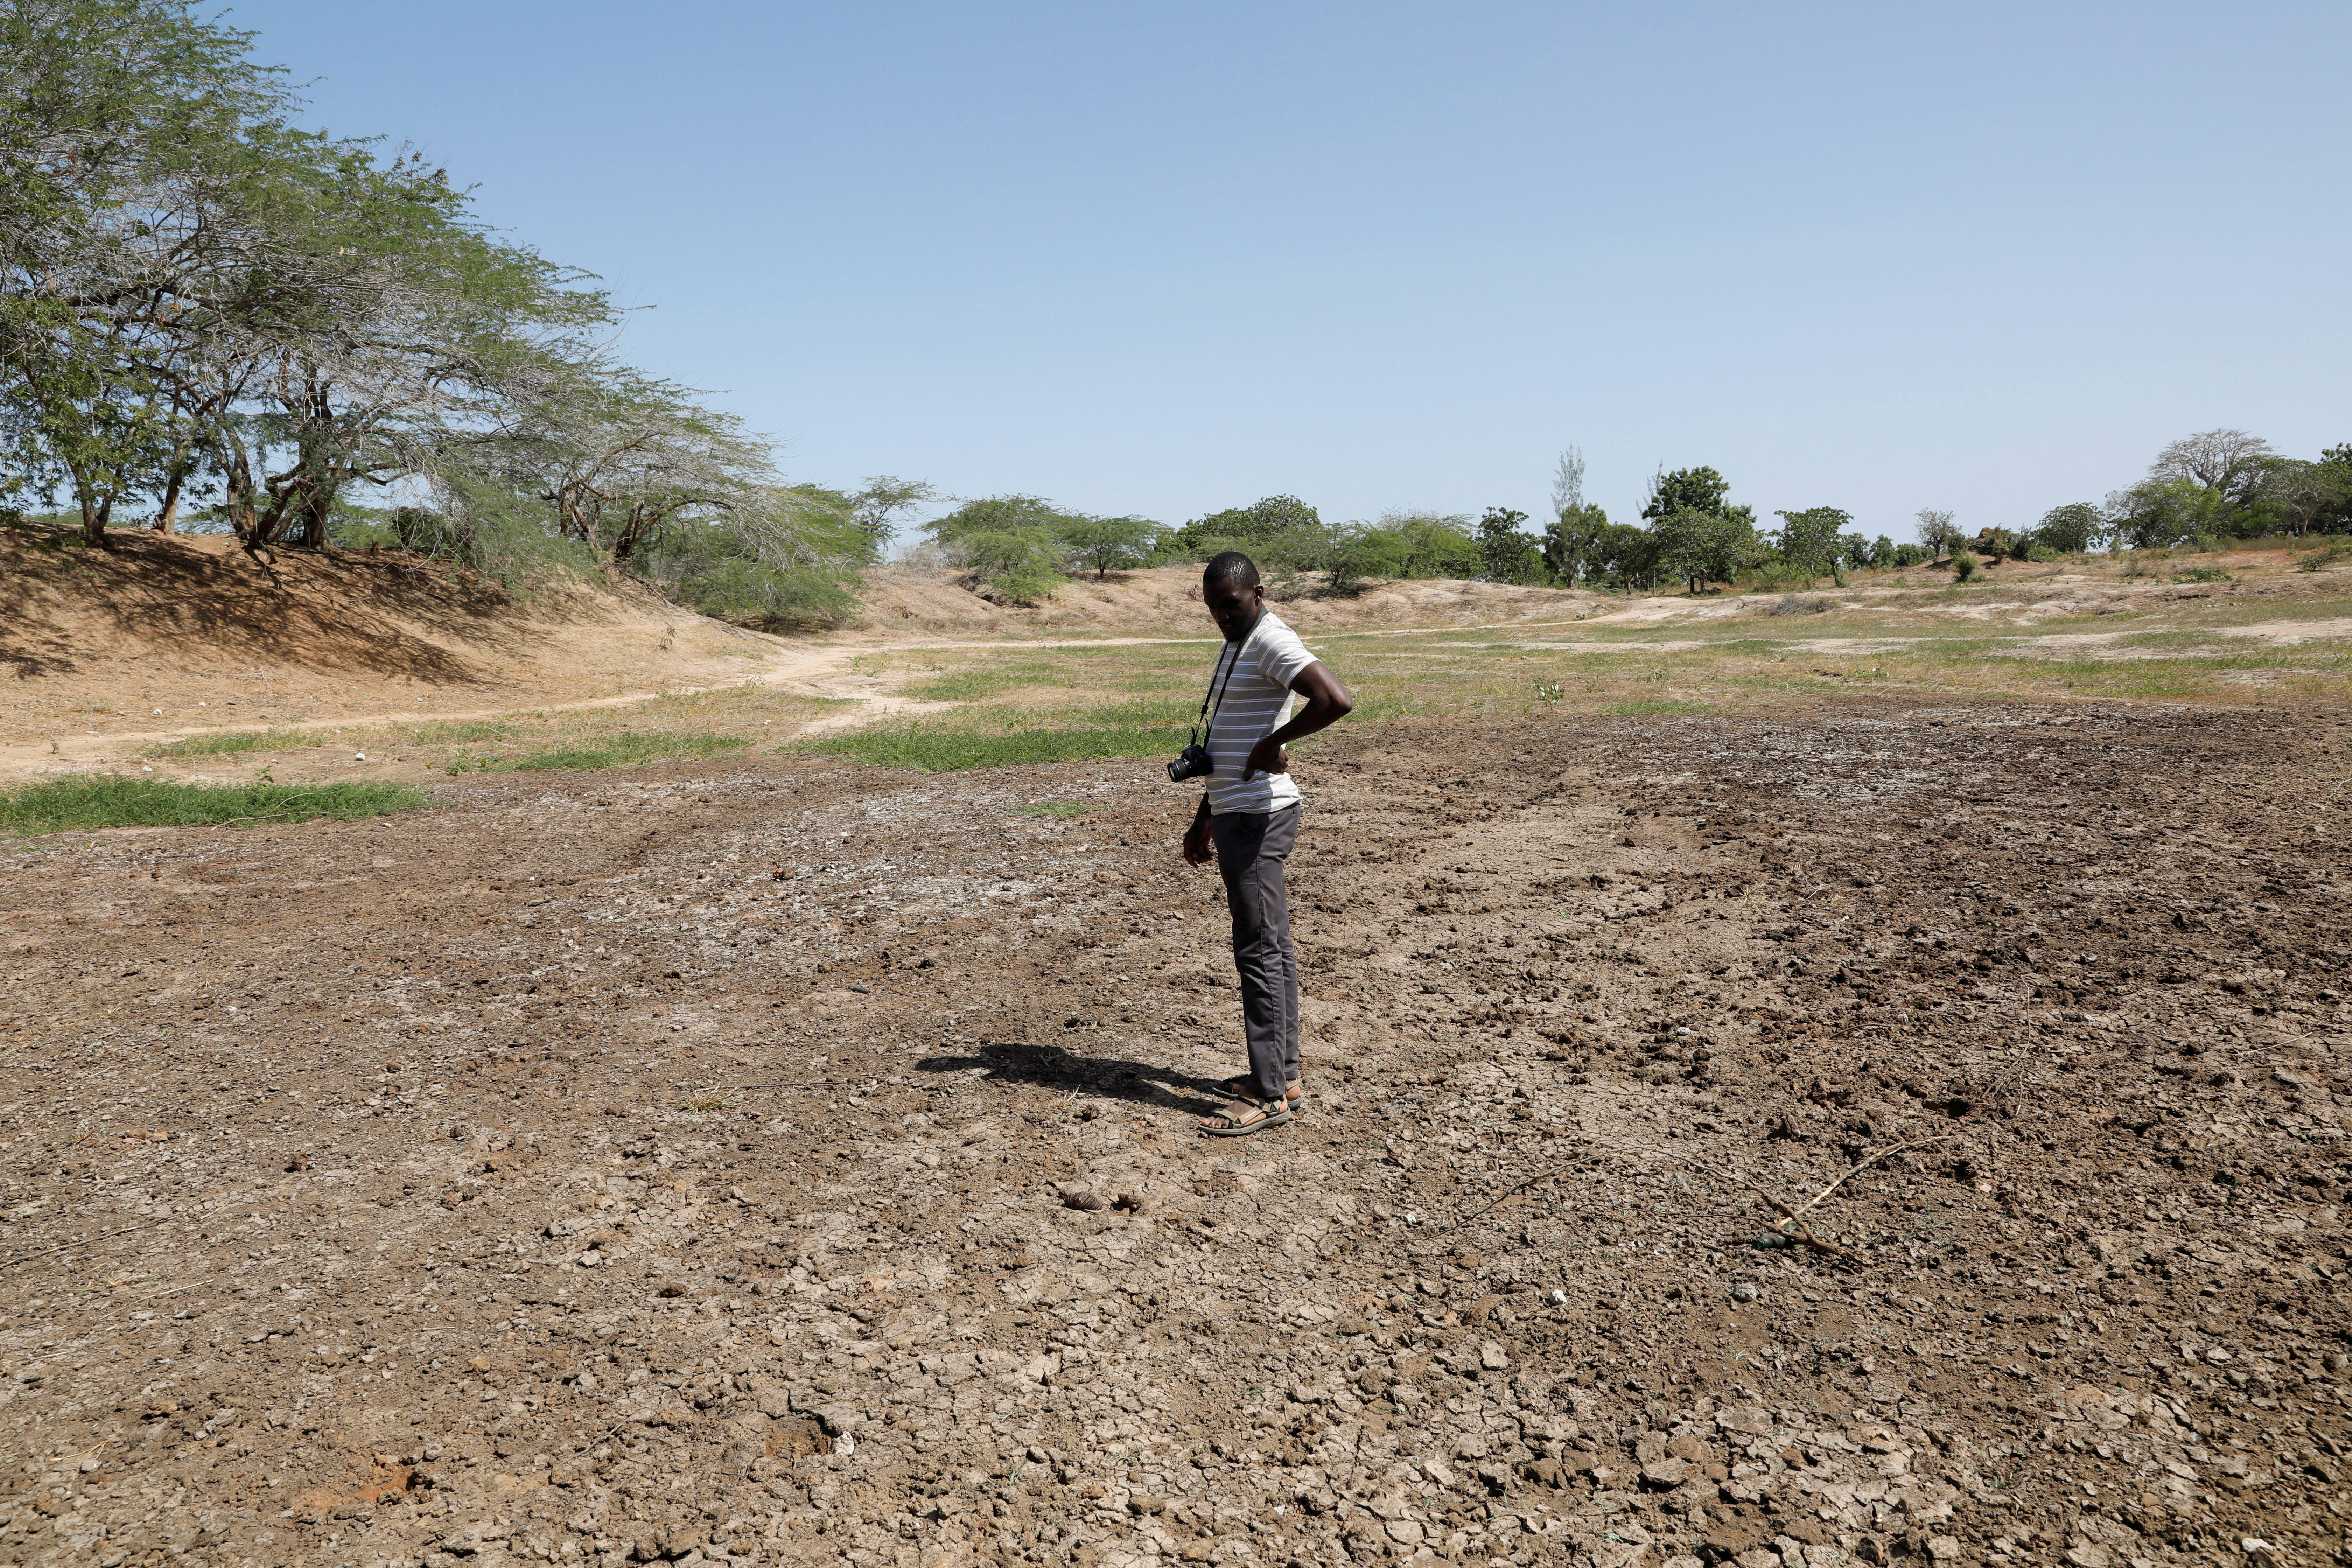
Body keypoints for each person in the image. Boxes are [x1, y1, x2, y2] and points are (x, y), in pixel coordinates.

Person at [1181, 550, 1354, 1136]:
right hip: (1236, 811)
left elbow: (1335, 699)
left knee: (1259, 951)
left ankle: (1269, 1093)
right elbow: (1231, 735)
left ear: (1259, 592)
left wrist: (1272, 745)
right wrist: (1205, 813)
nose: (1222, 617)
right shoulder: (1241, 642)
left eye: (1230, 605)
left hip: (1259, 816)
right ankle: (1284, 1075)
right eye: (1213, 609)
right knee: (1270, 946)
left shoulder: (1271, 640)